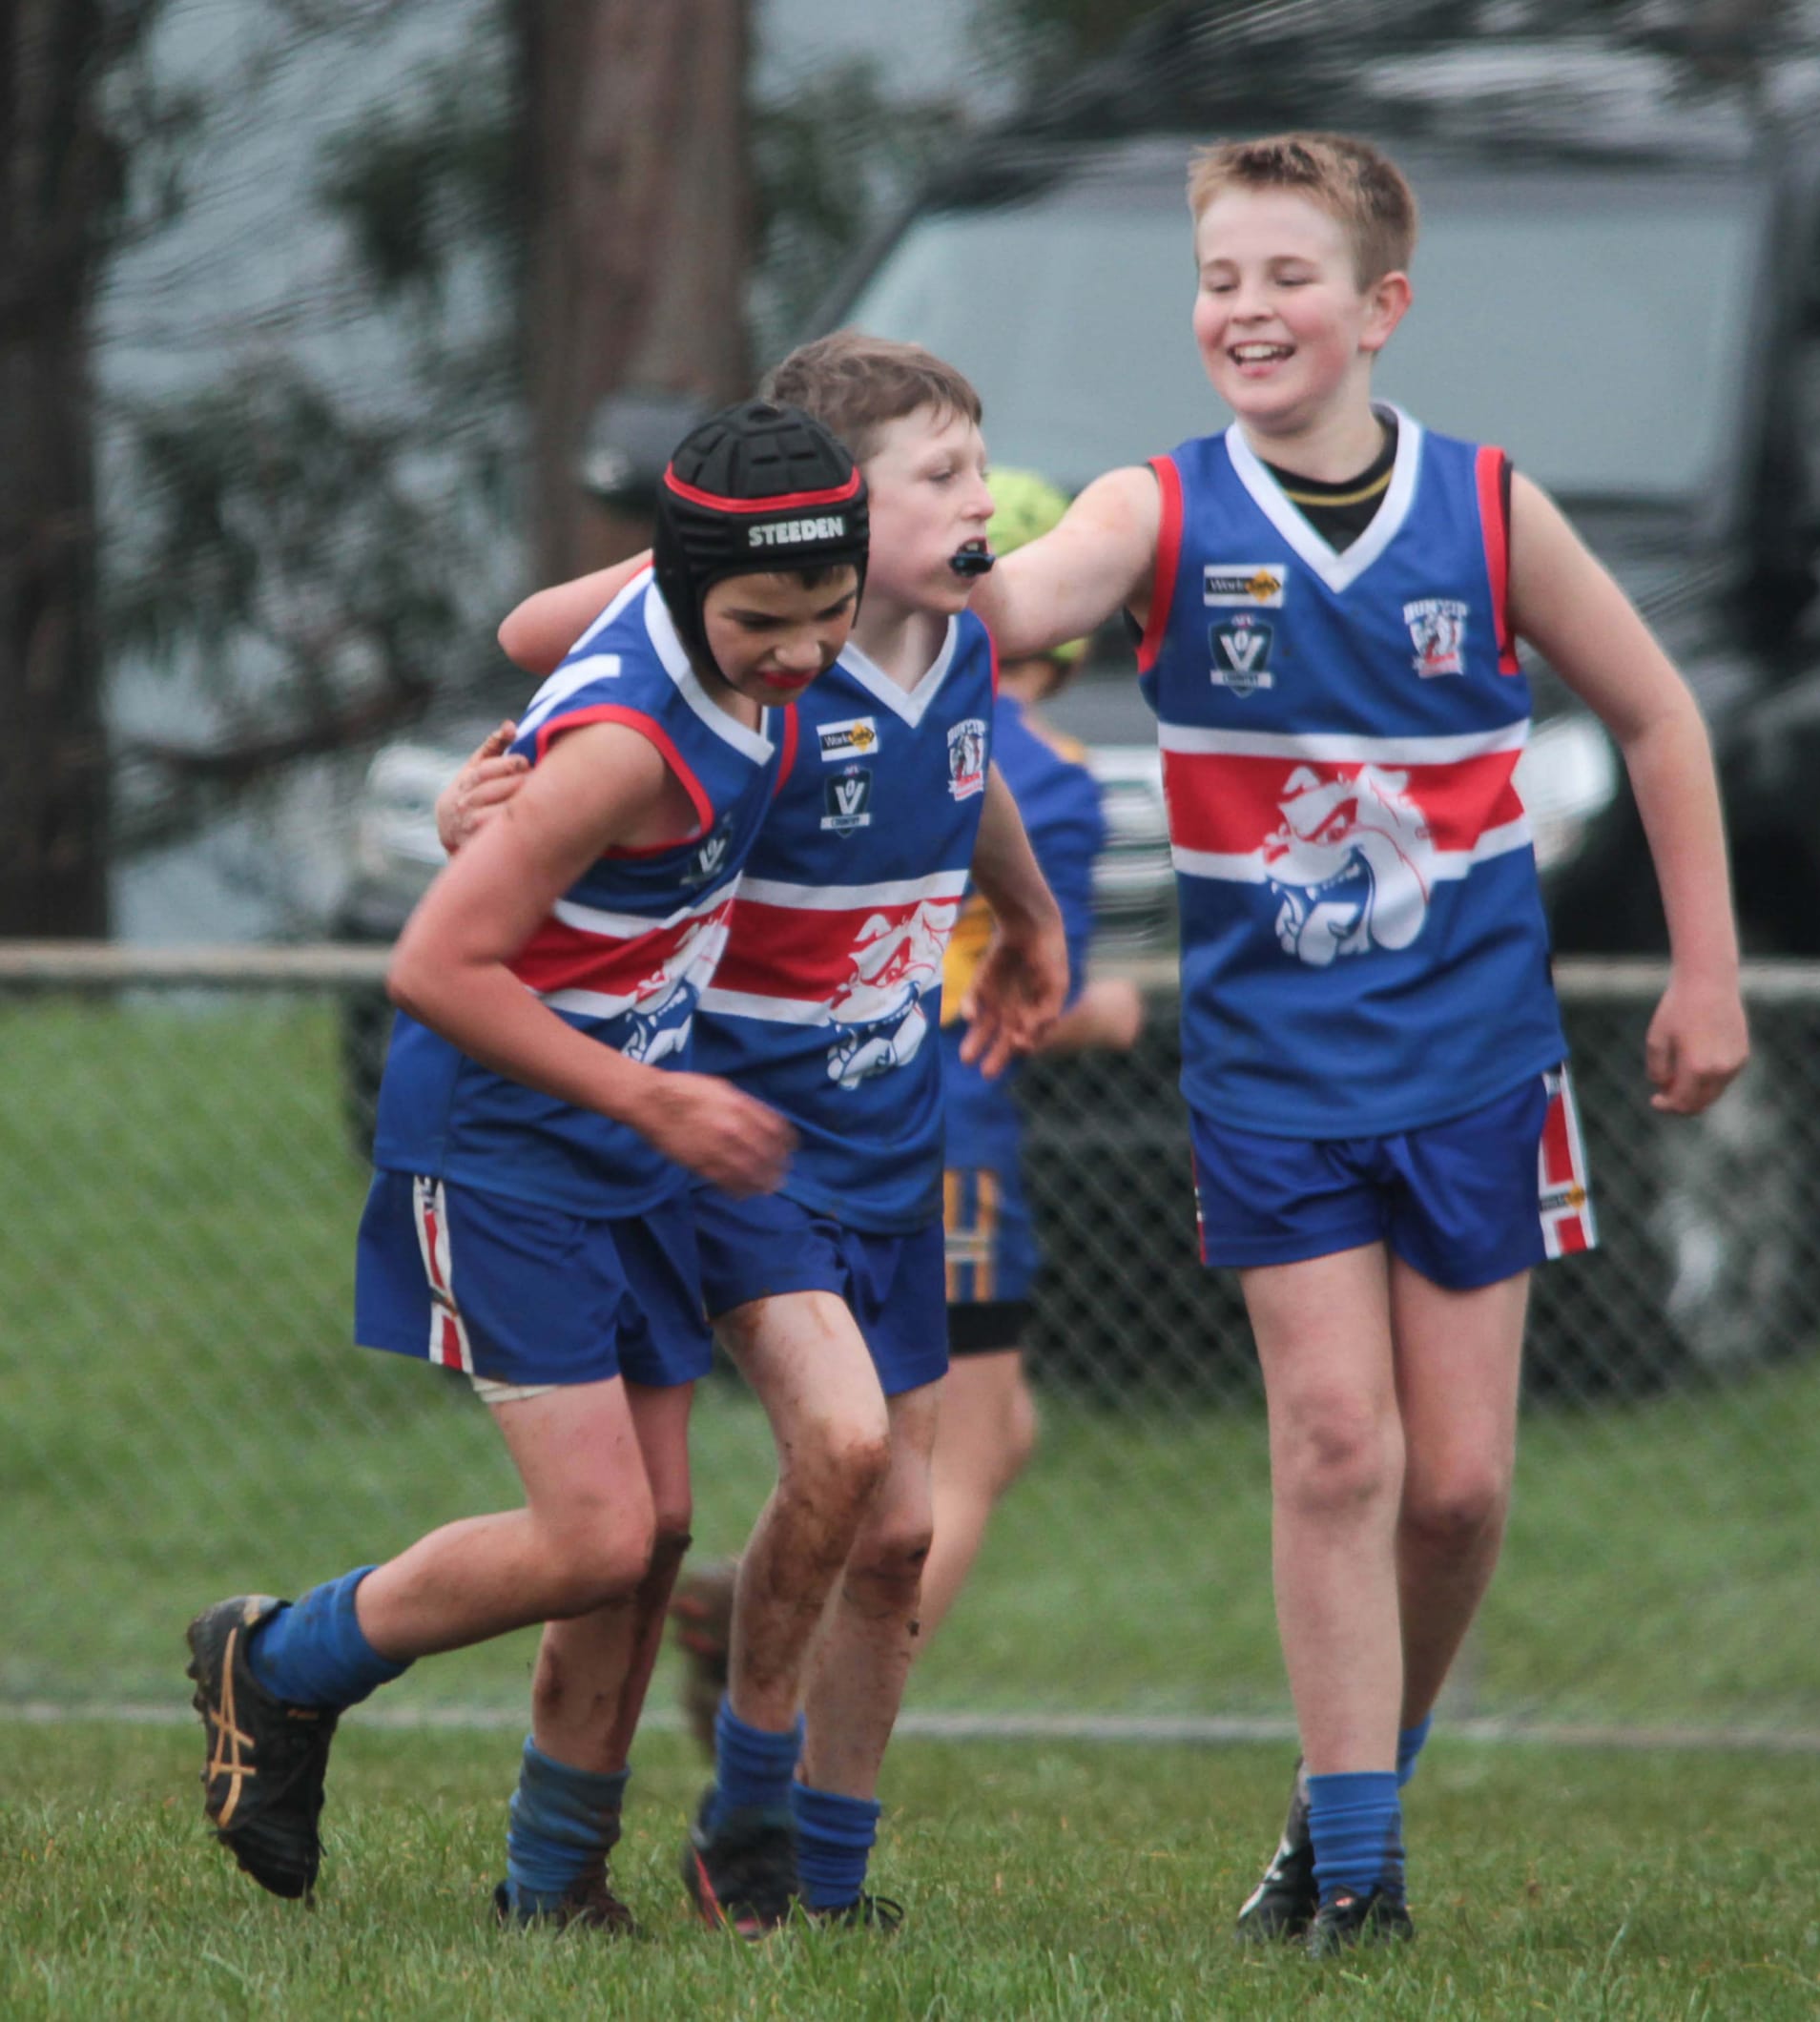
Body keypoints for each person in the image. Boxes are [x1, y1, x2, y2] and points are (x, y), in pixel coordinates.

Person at [963, 133, 1750, 1955]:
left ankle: (1345, 1805)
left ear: (1382, 306)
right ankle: (1367, 1883)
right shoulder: (1162, 511)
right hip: (1274, 1077)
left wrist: (1706, 976)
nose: (1247, 309)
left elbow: (1659, 716)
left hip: (1481, 1060)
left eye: (1287, 277)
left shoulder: (1486, 510)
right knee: (1337, 1448)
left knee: (1459, 1487)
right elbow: (1023, 602)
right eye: (1221, 279)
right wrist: (913, 549)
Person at [184, 400, 869, 1927]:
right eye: (761, 620)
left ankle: (551, 1888)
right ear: (694, 589)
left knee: (656, 1534)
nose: (802, 655)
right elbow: (434, 965)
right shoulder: (633, 749)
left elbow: (526, 622)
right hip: (505, 1148)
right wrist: (659, 1102)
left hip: (616, 1136)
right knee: (596, 1536)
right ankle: (276, 1660)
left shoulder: (699, 603)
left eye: (830, 614)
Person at [489, 333, 1070, 1936]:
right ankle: (744, 1805)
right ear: (832, 511)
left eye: (978, 463)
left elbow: (967, 776)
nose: (976, 502)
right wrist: (506, 790)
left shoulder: (958, 636)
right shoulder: (754, 658)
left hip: (898, 1138)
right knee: (839, 1447)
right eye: (940, 476)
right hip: (745, 1136)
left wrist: (1021, 905)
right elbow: (540, 638)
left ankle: (824, 1874)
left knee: (896, 1534)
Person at [923, 468, 1145, 1643]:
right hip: (954, 1121)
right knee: (956, 1463)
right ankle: (803, 1730)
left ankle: (757, 1637)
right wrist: (1107, 1012)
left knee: (991, 1432)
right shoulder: (1050, 774)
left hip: (823, 1099)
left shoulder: (874, 711)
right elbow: (1031, 998)